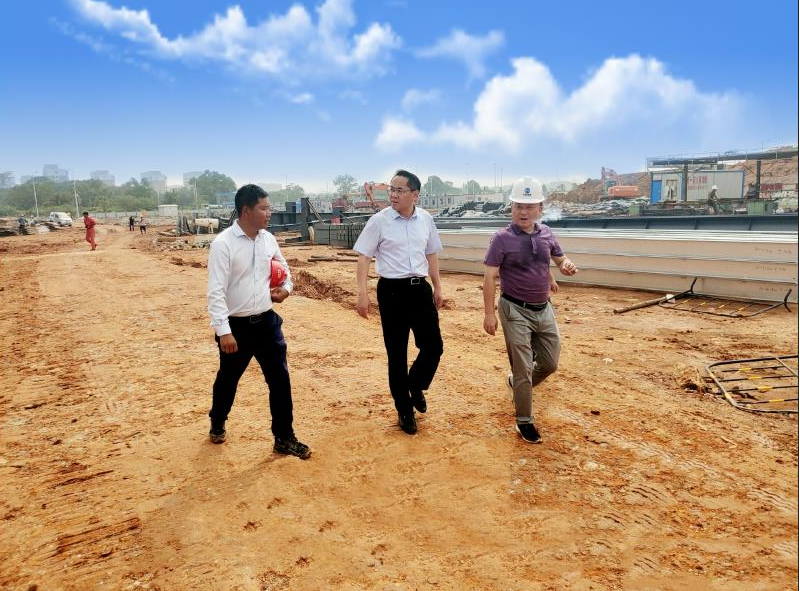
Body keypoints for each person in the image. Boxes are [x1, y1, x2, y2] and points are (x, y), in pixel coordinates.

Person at [207, 184, 310, 459]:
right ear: (246, 211)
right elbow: (215, 291)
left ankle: (284, 437)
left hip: (267, 323)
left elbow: (284, 269)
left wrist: (286, 289)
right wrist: (224, 331)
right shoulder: (223, 244)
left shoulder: (268, 240)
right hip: (236, 328)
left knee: (280, 380)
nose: (269, 213)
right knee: (228, 379)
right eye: (264, 208)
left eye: (269, 208)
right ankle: (217, 420)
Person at [482, 177, 578, 444]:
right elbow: (489, 277)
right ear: (511, 208)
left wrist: (566, 266)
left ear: (540, 209)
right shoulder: (501, 239)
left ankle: (517, 383)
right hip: (514, 309)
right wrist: (489, 314)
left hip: (543, 308)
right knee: (523, 367)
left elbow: (557, 258)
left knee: (549, 363)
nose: (523, 212)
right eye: (518, 207)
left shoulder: (546, 233)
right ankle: (524, 420)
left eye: (529, 207)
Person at [354, 169, 444, 435]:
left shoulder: (426, 219)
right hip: (391, 291)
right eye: (391, 189)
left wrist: (438, 286)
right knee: (397, 354)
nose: (392, 194)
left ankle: (415, 384)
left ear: (415, 194)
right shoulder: (379, 221)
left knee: (433, 346)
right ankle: (404, 409)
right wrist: (362, 292)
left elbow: (431, 254)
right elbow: (363, 258)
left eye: (399, 190)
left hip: (420, 290)